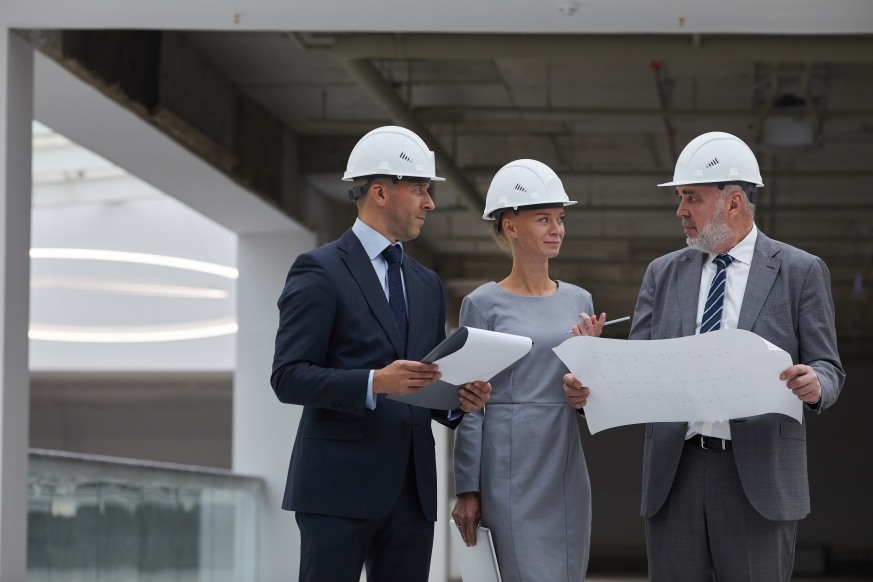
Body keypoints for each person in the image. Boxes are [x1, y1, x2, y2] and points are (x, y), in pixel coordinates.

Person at [563, 131, 845, 581]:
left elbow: (829, 367)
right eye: (679, 199)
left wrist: (815, 385)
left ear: (733, 203)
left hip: (759, 478)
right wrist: (592, 381)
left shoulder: (800, 271)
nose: (680, 212)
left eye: (691, 198)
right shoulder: (663, 273)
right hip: (676, 477)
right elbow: (640, 371)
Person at [270, 125, 492, 582]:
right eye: (420, 190)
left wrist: (457, 400)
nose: (429, 203)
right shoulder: (319, 269)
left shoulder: (427, 284)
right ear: (379, 192)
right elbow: (288, 376)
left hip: (410, 495)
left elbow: (427, 379)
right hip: (335, 493)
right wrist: (374, 382)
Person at [451, 159, 605, 582]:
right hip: (508, 465)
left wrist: (590, 380)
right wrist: (468, 487)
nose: (556, 228)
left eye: (559, 219)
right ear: (510, 226)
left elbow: (590, 397)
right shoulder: (482, 304)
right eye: (543, 219)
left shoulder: (581, 300)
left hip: (565, 461)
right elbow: (470, 404)